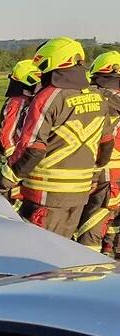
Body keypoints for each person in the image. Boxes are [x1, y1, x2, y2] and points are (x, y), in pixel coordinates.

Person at [8, 37, 114, 238]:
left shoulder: (47, 98)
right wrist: (91, 177)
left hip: (45, 195)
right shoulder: (97, 97)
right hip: (79, 195)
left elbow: (32, 150)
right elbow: (106, 146)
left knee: (38, 254)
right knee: (64, 254)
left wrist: (3, 182)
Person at [80, 51, 120, 255]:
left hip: (104, 173)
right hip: (116, 178)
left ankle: (89, 272)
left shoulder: (97, 99)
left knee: (91, 227)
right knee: (112, 225)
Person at [0, 60, 42, 204]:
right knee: (14, 201)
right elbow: (5, 134)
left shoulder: (33, 101)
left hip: (27, 161)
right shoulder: (17, 102)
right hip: (17, 163)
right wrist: (14, 159)